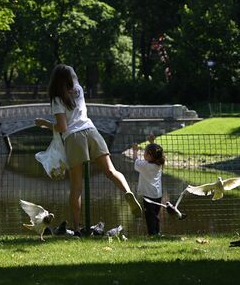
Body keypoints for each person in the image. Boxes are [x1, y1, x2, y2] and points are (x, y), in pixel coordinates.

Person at [35, 64, 142, 235]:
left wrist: (44, 124)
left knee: (76, 187)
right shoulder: (78, 89)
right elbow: (74, 77)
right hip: (92, 131)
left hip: (74, 138)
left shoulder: (57, 99)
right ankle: (128, 192)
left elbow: (62, 127)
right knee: (111, 170)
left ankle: (77, 228)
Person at [131, 134, 165, 236]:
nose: (144, 154)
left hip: (148, 196)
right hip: (158, 195)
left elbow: (135, 160)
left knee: (150, 217)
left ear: (149, 155)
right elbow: (157, 153)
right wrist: (152, 143)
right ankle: (157, 233)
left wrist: (135, 150)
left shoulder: (145, 166)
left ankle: (152, 234)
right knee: (155, 215)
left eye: (145, 152)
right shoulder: (159, 164)